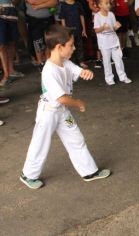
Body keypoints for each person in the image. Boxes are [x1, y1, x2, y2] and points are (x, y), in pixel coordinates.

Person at [20, 24, 111, 189]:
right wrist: (78, 103)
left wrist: (86, 73)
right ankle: (28, 175)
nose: (74, 48)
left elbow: (77, 71)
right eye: (71, 45)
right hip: (48, 112)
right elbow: (62, 98)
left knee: (76, 139)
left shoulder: (65, 62)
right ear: (59, 47)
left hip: (61, 111)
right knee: (40, 143)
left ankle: (89, 171)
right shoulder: (49, 71)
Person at [94, 0, 132, 85]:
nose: (108, 5)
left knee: (118, 59)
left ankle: (123, 76)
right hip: (104, 42)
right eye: (106, 3)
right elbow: (96, 30)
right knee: (107, 61)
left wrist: (116, 27)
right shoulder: (97, 16)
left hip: (114, 41)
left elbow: (113, 28)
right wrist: (103, 27)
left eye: (109, 3)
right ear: (100, 5)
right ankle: (109, 78)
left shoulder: (111, 14)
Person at [0, 0, 24, 87]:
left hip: (12, 14)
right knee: (1, 45)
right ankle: (5, 75)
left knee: (12, 43)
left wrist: (14, 2)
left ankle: (11, 71)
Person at [59, 0, 88, 68]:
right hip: (68, 31)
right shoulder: (63, 5)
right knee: (69, 46)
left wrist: (84, 29)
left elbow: (81, 17)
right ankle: (71, 63)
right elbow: (62, 19)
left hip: (78, 29)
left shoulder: (78, 4)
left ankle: (81, 61)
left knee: (79, 46)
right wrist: (64, 30)